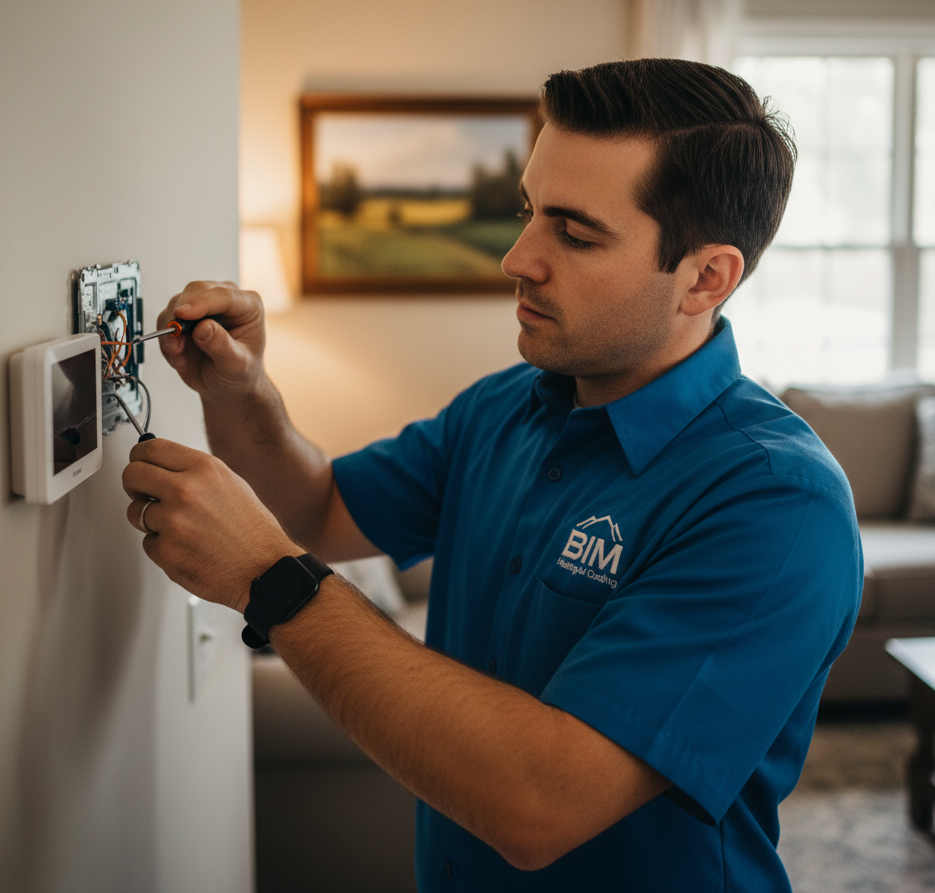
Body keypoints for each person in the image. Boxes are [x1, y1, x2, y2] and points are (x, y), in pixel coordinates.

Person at [122, 59, 862, 892]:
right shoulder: (506, 406)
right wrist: (243, 392)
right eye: (528, 212)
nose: (516, 259)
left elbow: (538, 803)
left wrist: (271, 580)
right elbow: (318, 509)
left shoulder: (775, 503)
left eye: (575, 235)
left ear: (705, 278)